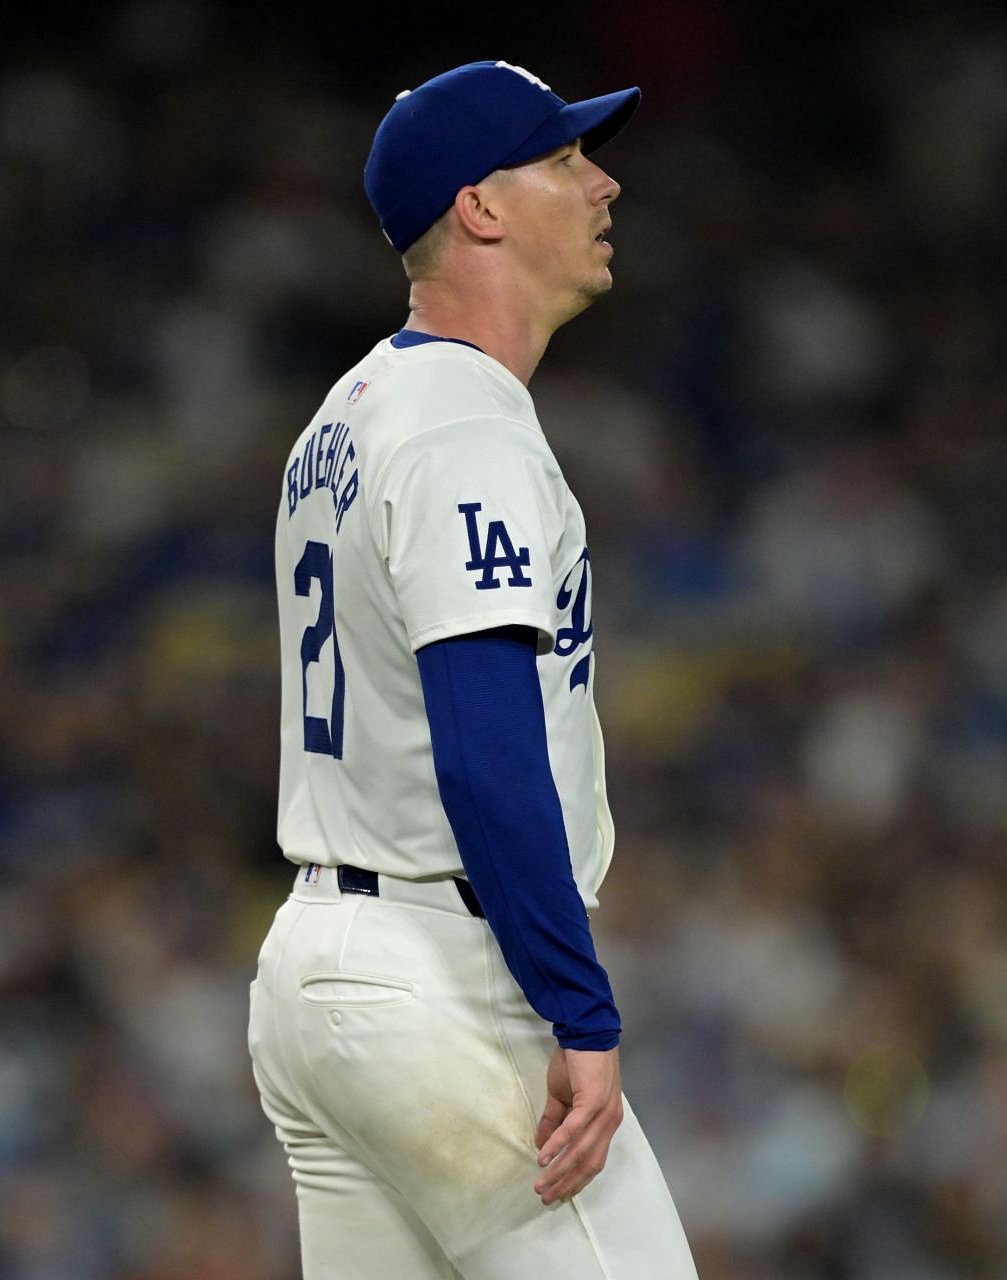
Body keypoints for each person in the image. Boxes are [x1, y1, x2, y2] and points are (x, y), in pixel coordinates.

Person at [247, 60, 697, 1278]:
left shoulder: (346, 414)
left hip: (317, 969)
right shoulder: (460, 421)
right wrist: (578, 1007)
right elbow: (486, 749)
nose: (603, 182)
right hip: (443, 971)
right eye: (562, 160)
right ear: (481, 209)